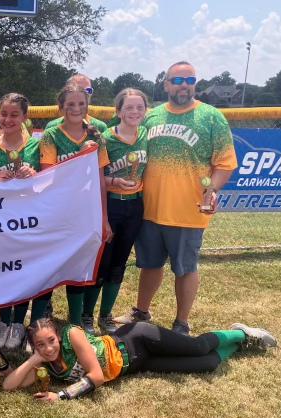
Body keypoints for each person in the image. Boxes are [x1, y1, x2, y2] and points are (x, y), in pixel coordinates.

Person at [114, 61, 237, 335]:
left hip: (188, 209)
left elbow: (225, 162)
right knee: (149, 264)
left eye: (189, 79)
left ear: (195, 83)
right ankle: (141, 310)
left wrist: (211, 190)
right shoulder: (150, 116)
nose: (184, 84)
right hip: (149, 208)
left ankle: (181, 322)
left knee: (185, 268)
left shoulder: (211, 116)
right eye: (177, 80)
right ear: (166, 84)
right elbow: (122, 141)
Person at [2, 318, 277, 401]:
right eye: (41, 344)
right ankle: (241, 345)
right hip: (135, 365)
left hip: (136, 339)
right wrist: (32, 360)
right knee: (207, 364)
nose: (49, 347)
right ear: (34, 345)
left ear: (58, 336)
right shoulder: (43, 361)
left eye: (51, 341)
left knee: (197, 347)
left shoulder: (73, 335)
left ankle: (238, 333)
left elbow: (96, 377)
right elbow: (8, 386)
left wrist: (61, 395)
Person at [39, 84, 112, 333]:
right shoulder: (51, 135)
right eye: (70, 104)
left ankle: (76, 320)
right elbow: (48, 177)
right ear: (61, 107)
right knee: (49, 264)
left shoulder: (96, 137)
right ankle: (41, 314)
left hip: (86, 211)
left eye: (81, 104)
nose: (76, 109)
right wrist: (79, 158)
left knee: (80, 265)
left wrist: (104, 217)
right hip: (58, 210)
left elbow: (101, 179)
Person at [0, 93, 48, 349]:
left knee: (25, 270)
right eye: (3, 114)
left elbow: (48, 181)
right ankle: (4, 321)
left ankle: (19, 323)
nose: (7, 119)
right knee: (2, 270)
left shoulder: (36, 146)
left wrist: (35, 174)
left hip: (30, 218)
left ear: (25, 117)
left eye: (14, 115)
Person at [83, 88, 149, 335]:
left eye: (139, 107)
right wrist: (113, 183)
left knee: (119, 263)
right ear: (118, 111)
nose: (134, 112)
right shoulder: (106, 139)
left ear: (145, 111)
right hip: (110, 203)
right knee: (102, 262)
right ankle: (87, 314)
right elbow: (94, 175)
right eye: (129, 108)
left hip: (135, 205)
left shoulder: (145, 135)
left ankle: (105, 314)